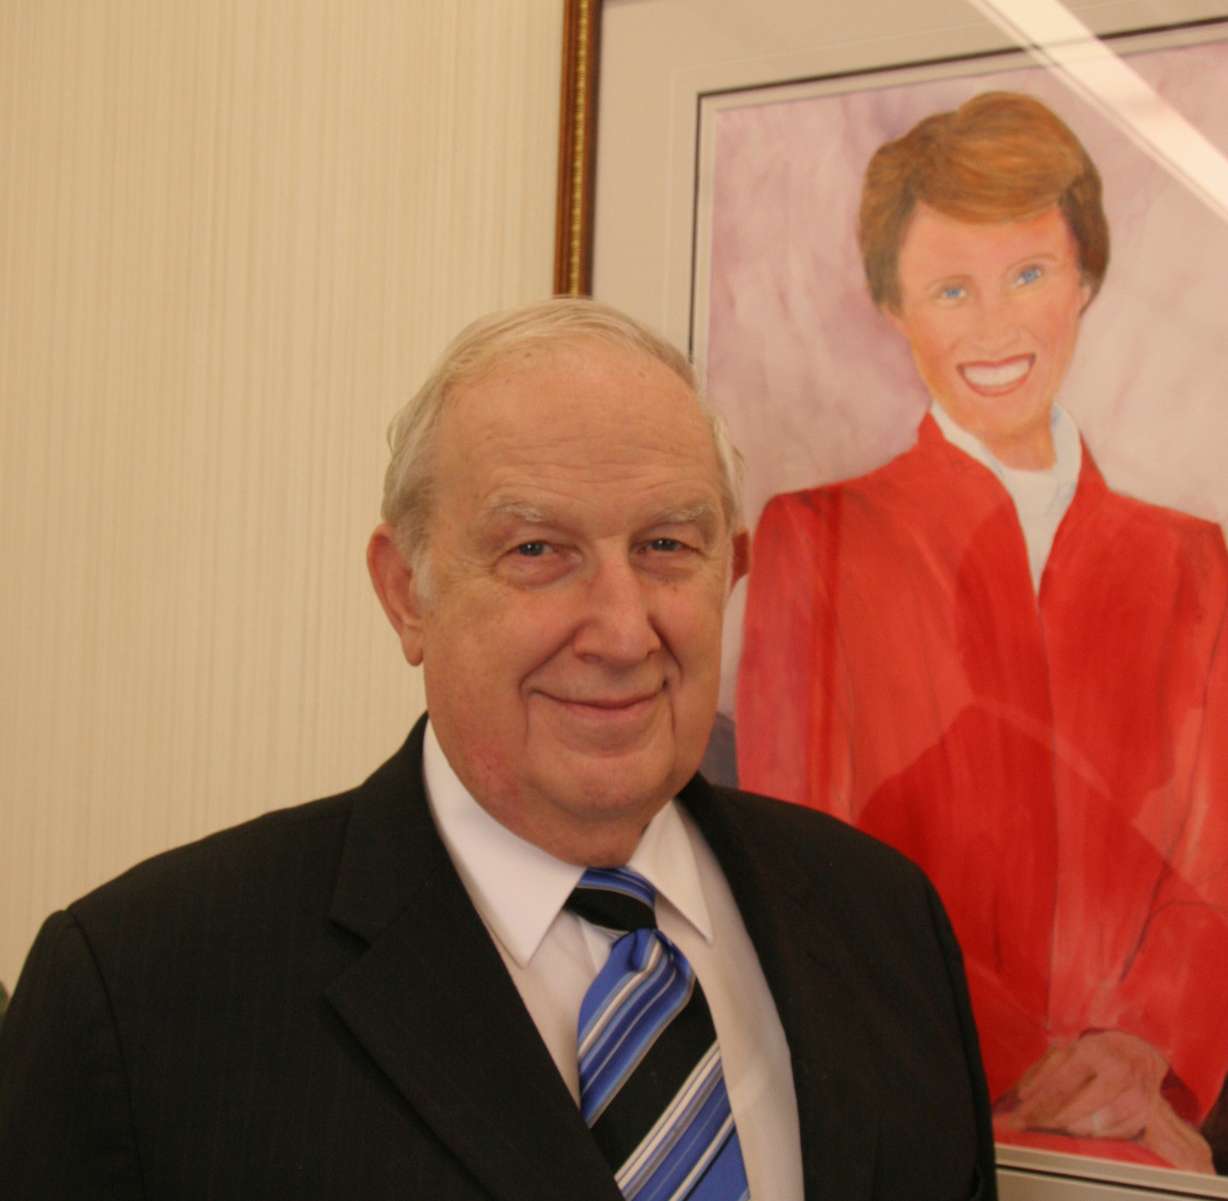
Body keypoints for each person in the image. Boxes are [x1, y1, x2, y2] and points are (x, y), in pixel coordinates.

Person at [0, 298, 995, 1198]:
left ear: (728, 572)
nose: (619, 629)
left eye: (665, 546)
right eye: (535, 551)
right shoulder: (139, 995)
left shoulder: (886, 926)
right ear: (405, 594)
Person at [736, 92, 1228, 1174]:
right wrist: (1027, 1060)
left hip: (1148, 1120)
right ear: (892, 307)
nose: (996, 327)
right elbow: (800, 861)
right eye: (951, 289)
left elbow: (1211, 866)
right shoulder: (816, 540)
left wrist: (1141, 1050)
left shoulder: (1194, 563)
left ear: (1085, 278)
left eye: (1028, 275)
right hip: (901, 1098)